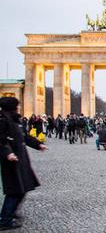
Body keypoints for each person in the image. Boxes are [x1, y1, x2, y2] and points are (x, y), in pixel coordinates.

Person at [0, 97, 48, 230]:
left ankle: (12, 212)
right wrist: (7, 153)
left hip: (20, 159)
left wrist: (38, 145)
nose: (19, 107)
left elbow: (24, 136)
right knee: (15, 190)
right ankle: (5, 219)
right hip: (11, 160)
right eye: (17, 106)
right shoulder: (3, 121)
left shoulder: (15, 120)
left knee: (22, 188)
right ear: (12, 107)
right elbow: (1, 140)